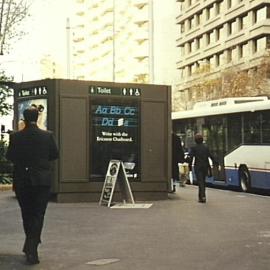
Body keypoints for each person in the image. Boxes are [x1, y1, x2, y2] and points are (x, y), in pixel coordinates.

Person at [6, 107, 59, 265]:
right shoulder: (47, 136)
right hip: (41, 180)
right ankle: (31, 248)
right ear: (38, 117)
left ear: (23, 118)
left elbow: (10, 156)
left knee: (27, 213)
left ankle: (30, 246)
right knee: (38, 214)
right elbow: (55, 154)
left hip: (22, 180)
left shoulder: (16, 137)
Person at [188, 133, 218, 203]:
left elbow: (191, 157)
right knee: (203, 181)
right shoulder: (206, 147)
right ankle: (202, 196)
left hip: (198, 167)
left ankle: (202, 197)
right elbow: (210, 155)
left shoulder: (194, 148)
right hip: (205, 166)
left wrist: (188, 164)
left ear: (195, 140)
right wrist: (216, 162)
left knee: (200, 182)